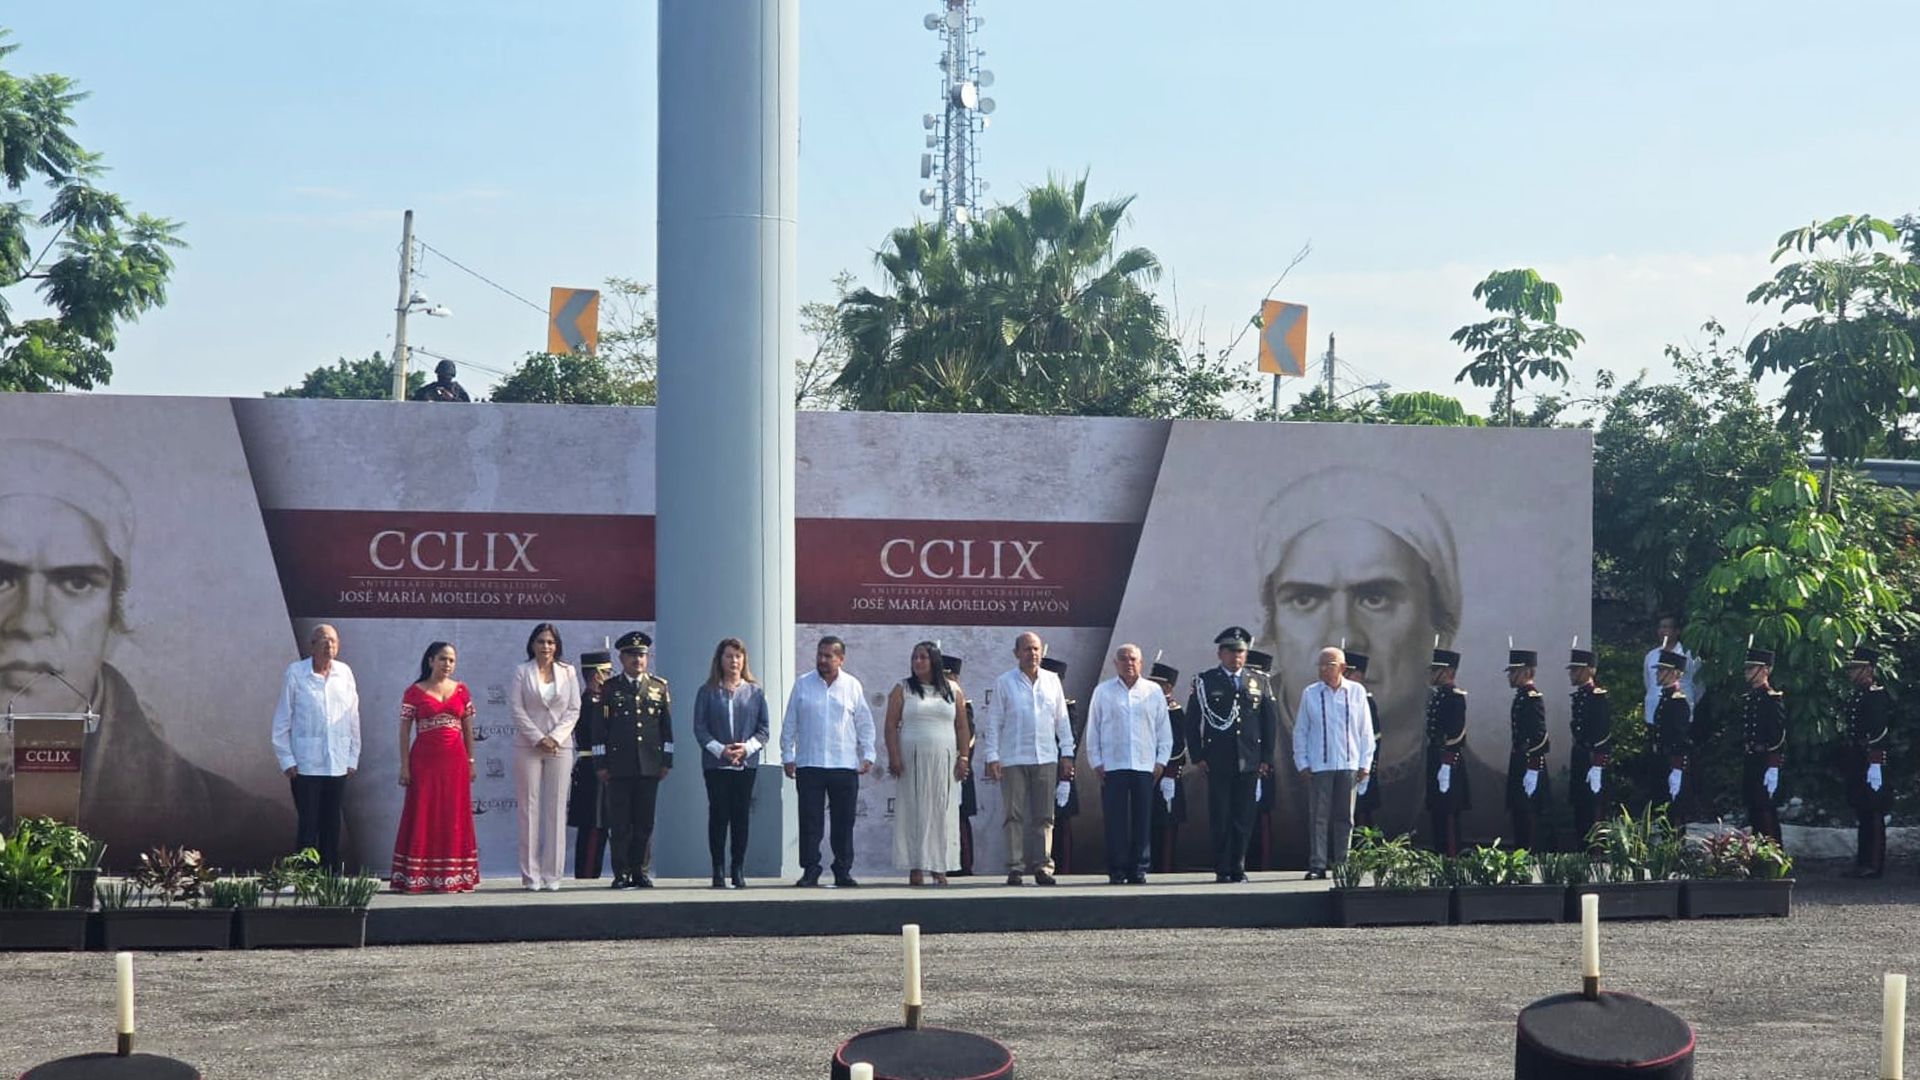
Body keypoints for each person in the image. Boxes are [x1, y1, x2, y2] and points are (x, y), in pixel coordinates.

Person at [0, 438, 294, 870]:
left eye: (76, 582)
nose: (29, 621)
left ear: (114, 613)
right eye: (3, 577)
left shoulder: (240, 826)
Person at [1255, 467, 1463, 843]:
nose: (1342, 636)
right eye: (1305, 599)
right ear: (1273, 622)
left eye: (1375, 598)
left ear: (1439, 617)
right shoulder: (1201, 796)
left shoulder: (1484, 788)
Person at [981, 632, 1074, 887]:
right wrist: (992, 755)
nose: (1032, 654)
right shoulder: (1004, 682)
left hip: (1045, 756)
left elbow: (1062, 721)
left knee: (1045, 816)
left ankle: (1043, 867)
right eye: (1026, 649)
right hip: (1012, 757)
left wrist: (1067, 753)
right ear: (1016, 653)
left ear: (1041, 652)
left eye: (1035, 649)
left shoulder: (1052, 680)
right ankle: (1015, 868)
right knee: (1013, 815)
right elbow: (994, 721)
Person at [1187, 626, 1278, 883]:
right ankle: (1222, 867)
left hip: (1249, 760)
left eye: (1241, 651)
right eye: (1231, 651)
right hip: (1218, 760)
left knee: (1244, 816)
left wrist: (1266, 758)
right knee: (1220, 816)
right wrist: (1198, 756)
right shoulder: (1205, 681)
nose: (1237, 656)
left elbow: (1269, 723)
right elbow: (1192, 723)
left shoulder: (1259, 681)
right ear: (1220, 653)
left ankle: (1238, 866)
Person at [782, 636, 874, 888]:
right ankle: (810, 869)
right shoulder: (802, 684)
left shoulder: (852, 686)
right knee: (810, 821)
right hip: (809, 763)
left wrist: (869, 754)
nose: (822, 660)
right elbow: (790, 722)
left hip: (844, 765)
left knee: (844, 822)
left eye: (828, 656)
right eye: (819, 655)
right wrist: (787, 756)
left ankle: (842, 870)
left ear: (840, 659)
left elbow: (864, 723)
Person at [390, 640, 479, 893]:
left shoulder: (461, 691)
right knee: (423, 814)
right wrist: (404, 767)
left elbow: (468, 730)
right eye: (442, 659)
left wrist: (471, 762)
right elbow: (404, 733)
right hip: (424, 763)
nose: (447, 664)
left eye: (451, 660)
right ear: (430, 661)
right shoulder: (414, 692)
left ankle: (454, 876)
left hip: (456, 763)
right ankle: (419, 876)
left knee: (453, 815)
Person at [270, 624, 360, 872]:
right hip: (306, 764)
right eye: (322, 641)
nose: (328, 645)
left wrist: (353, 756)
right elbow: (282, 721)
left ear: (338, 645)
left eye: (332, 641)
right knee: (308, 824)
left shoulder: (345, 673)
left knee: (332, 824)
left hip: (338, 762)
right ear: (312, 646)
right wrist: (287, 760)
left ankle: (330, 877)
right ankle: (305, 876)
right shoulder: (296, 673)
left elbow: (353, 717)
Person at [592, 630, 673, 889]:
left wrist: (666, 760)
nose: (637, 660)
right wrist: (601, 764)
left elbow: (666, 728)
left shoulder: (659, 687)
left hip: (649, 765)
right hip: (618, 767)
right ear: (622, 658)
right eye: (632, 655)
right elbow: (598, 730)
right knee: (620, 823)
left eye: (642, 655)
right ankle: (621, 873)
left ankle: (640, 871)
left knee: (644, 822)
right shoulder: (610, 688)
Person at [1086, 644, 1172, 885]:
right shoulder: (1103, 691)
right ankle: (1117, 868)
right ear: (1115, 664)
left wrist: (1161, 761)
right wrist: (1095, 761)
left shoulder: (1153, 691)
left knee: (1142, 819)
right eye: (1123, 659)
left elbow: (1163, 730)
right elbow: (1093, 729)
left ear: (1141, 662)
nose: (1128, 663)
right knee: (1115, 820)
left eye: (1133, 659)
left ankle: (1139, 868)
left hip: (1145, 765)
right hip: (1112, 765)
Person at [884, 641, 968, 886]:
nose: (917, 662)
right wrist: (894, 757)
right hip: (912, 761)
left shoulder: (953, 689)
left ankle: (939, 867)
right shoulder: (903, 688)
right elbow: (890, 726)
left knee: (941, 813)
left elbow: (962, 726)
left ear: (934, 661)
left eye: (922, 657)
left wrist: (964, 757)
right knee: (914, 812)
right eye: (914, 657)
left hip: (944, 761)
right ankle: (917, 867)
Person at [507, 622, 581, 892]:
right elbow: (516, 709)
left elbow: (574, 709)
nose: (546, 646)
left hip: (560, 747)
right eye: (541, 641)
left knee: (556, 810)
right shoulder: (521, 672)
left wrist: (555, 738)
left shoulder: (569, 672)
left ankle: (553, 875)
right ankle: (531, 876)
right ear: (532, 644)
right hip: (528, 746)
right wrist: (539, 737)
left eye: (550, 642)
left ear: (557, 645)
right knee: (529, 809)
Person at [693, 637, 770, 889]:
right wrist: (721, 750)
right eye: (729, 656)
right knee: (718, 815)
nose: (734, 661)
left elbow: (764, 730)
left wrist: (745, 749)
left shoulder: (755, 692)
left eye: (738, 656)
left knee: (740, 817)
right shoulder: (707, 691)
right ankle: (717, 869)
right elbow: (700, 728)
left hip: (745, 765)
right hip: (716, 765)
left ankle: (737, 869)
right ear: (720, 660)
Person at [1292, 645, 1373, 880]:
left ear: (1343, 668)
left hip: (1349, 764)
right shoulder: (1311, 693)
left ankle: (1342, 864)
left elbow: (1366, 731)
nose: (1323, 669)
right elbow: (1301, 731)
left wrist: (1365, 763)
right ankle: (1317, 864)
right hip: (1320, 765)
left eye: (1329, 665)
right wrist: (1302, 762)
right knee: (1318, 816)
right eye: (1321, 665)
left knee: (1345, 817)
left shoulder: (1356, 692)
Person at [1841, 646, 1890, 878]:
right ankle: (1863, 861)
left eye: (1856, 668)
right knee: (1862, 809)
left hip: (1870, 758)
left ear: (1868, 670)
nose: (1851, 673)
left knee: (1873, 811)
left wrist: (1875, 763)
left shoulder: (1876, 695)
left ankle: (1874, 863)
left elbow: (1879, 732)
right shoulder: (1859, 694)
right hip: (1858, 756)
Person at [567, 650, 614, 879]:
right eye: (607, 672)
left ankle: (590, 873)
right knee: (593, 828)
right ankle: (586, 876)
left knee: (601, 827)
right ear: (597, 675)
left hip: (599, 767)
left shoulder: (599, 701)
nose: (609, 676)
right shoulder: (589, 702)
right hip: (593, 769)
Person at [1503, 648, 1551, 852]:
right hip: (1519, 759)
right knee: (1519, 812)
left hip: (1529, 762)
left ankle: (1532, 853)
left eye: (1514, 671)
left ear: (1527, 672)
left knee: (1529, 812)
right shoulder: (1522, 697)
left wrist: (1533, 769)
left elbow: (1540, 736)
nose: (1510, 676)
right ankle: (1521, 851)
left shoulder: (1532, 697)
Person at [1424, 648, 1469, 856]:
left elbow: (1457, 733)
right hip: (1435, 757)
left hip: (1447, 761)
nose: (1432, 673)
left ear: (1448, 672)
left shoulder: (1454, 697)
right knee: (1437, 812)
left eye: (1436, 669)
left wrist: (1447, 763)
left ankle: (1451, 859)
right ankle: (1440, 854)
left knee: (1449, 814)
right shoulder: (1439, 696)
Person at [1566, 646, 1612, 852]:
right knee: (1580, 809)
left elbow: (1602, 734)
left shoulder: (1597, 697)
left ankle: (1597, 855)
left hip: (1592, 758)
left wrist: (1598, 766)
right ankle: (1583, 852)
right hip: (1580, 756)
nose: (1572, 673)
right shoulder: (1580, 697)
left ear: (1589, 670)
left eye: (1576, 669)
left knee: (1594, 810)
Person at [1045, 656, 1086, 875]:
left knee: (1062, 825)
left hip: (1061, 771)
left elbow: (1070, 739)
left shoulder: (1067, 707)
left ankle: (1064, 868)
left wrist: (1065, 777)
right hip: (1040, 767)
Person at [1740, 646, 1785, 844]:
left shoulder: (1772, 699)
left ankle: (1774, 857)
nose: (1747, 673)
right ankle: (1759, 858)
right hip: (1752, 759)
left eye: (1752, 668)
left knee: (1766, 811)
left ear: (1764, 671)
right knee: (1755, 812)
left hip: (1765, 760)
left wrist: (1773, 766)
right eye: (1747, 668)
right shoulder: (1750, 698)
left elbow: (1778, 736)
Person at [1148, 661, 1188, 873]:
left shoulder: (1175, 711)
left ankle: (1165, 867)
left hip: (1167, 777)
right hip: (1148, 774)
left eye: (1157, 683)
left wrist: (1170, 774)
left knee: (1166, 825)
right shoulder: (1149, 707)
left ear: (1168, 688)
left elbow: (1178, 746)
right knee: (1150, 822)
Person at [1650, 648, 1693, 826]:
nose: (1657, 673)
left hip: (1672, 761)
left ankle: (1675, 852)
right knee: (1663, 810)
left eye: (1662, 670)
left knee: (1675, 813)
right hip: (1662, 760)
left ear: (1675, 674)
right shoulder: (1666, 699)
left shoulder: (1678, 702)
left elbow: (1680, 739)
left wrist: (1677, 768)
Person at [945, 654, 979, 877]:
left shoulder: (963, 706)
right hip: (937, 769)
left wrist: (959, 762)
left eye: (948, 676)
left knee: (959, 820)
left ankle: (963, 865)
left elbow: (968, 740)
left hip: (958, 771)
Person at [1641, 615, 1703, 725]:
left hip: (1679, 716)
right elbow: (1648, 683)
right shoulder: (1651, 656)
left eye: (1666, 627)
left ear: (1677, 631)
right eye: (1660, 627)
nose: (1662, 631)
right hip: (1652, 713)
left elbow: (1698, 685)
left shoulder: (1689, 655)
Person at [1346, 652, 1383, 831]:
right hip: (1345, 766)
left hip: (1361, 768)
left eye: (1348, 673)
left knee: (1362, 816)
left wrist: (1367, 770)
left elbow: (1373, 739)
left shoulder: (1366, 702)